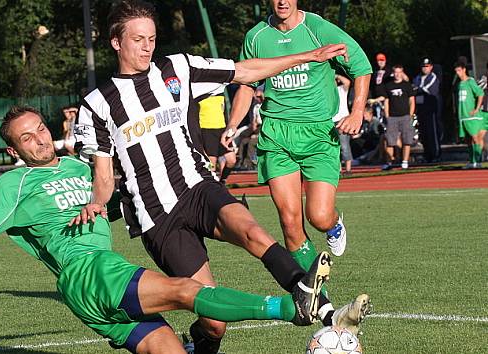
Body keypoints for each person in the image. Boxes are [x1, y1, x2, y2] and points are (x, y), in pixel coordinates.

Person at [0, 106, 338, 354]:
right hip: (87, 270)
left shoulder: (80, 167)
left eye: (40, 129)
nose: (37, 139)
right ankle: (292, 309)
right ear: (12, 147)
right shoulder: (14, 184)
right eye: (26, 137)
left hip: (93, 291)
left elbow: (122, 200)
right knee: (185, 291)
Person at [73, 1, 369, 353]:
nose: (147, 47)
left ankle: (313, 302)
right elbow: (104, 176)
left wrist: (308, 56)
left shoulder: (177, 68)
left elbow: (244, 72)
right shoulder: (97, 104)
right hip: (157, 216)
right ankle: (201, 343)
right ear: (116, 42)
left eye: (152, 38)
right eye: (138, 39)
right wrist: (96, 202)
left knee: (251, 231)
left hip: (198, 186)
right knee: (214, 324)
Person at [222, 1, 372, 329]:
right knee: (290, 224)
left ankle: (333, 225)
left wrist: (357, 111)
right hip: (276, 135)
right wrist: (232, 126)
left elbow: (360, 65)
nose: (283, 1)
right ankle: (325, 305)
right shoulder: (257, 36)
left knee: (317, 216)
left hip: (319, 135)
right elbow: (246, 84)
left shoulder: (318, 29)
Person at [381, 65, 416, 170]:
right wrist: (387, 115)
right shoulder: (388, 86)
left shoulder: (407, 85)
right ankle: (389, 162)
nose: (397, 74)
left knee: (407, 140)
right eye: (395, 72)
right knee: (390, 141)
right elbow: (386, 101)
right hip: (392, 117)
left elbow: (412, 100)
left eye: (399, 72)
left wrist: (410, 114)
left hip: (405, 116)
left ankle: (405, 162)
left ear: (402, 72)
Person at [198, 94, 236, 182]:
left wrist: (229, 130)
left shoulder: (221, 94)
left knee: (232, 160)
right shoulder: (199, 95)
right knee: (212, 166)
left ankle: (222, 181)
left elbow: (226, 113)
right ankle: (211, 187)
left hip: (222, 130)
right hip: (207, 132)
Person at [454, 62, 485, 168]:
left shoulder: (470, 81)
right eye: (456, 71)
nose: (457, 73)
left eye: (459, 70)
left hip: (471, 115)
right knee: (468, 140)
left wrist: (476, 109)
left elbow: (480, 93)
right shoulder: (459, 84)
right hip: (463, 116)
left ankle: (478, 161)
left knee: (475, 138)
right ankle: (472, 161)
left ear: (464, 70)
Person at [413, 57, 441, 163]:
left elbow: (427, 89)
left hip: (430, 109)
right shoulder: (418, 78)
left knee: (432, 131)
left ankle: (435, 154)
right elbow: (414, 89)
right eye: (423, 66)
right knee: (423, 133)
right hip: (421, 109)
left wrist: (418, 89)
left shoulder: (433, 77)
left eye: (427, 66)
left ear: (431, 67)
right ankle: (427, 154)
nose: (425, 69)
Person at [333, 74, 354, 176]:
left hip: (342, 119)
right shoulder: (326, 92)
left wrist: (336, 75)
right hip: (331, 121)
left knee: (345, 145)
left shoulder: (341, 89)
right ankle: (339, 169)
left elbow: (348, 82)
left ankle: (348, 169)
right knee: (335, 146)